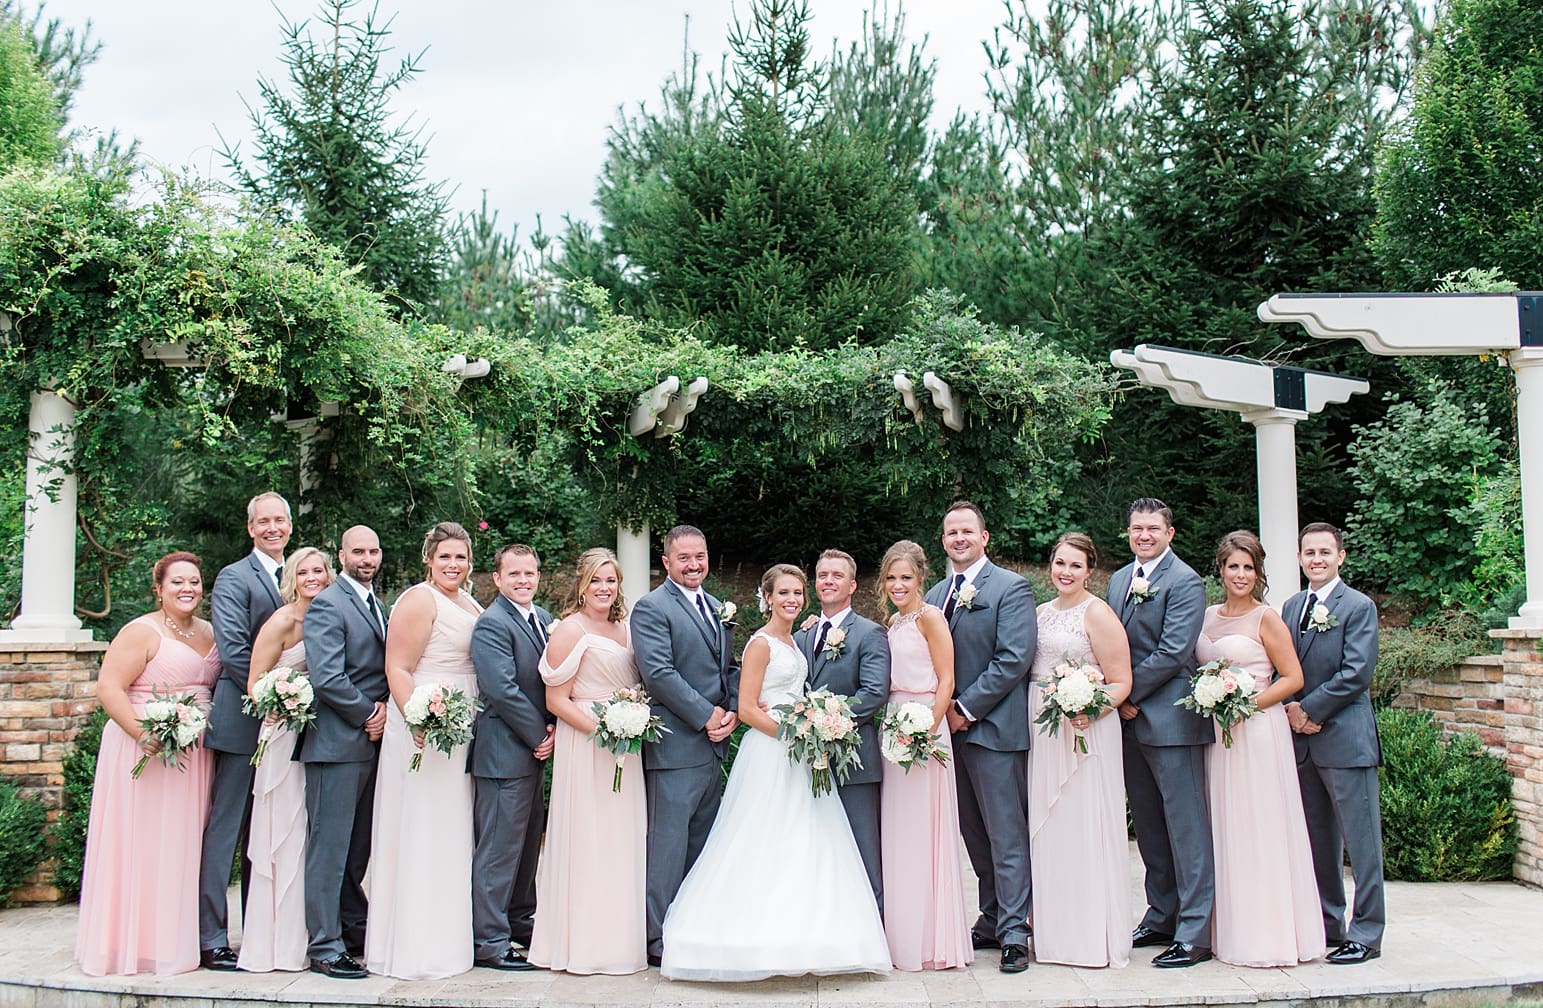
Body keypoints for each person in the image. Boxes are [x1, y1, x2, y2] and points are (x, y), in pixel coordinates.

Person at [661, 564, 891, 981]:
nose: (792, 599)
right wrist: (795, 733)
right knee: (761, 838)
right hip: (772, 752)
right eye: (783, 592)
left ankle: (809, 934)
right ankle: (748, 936)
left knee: (806, 840)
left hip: (802, 755)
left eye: (798, 592)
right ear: (766, 597)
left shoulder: (798, 639)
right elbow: (748, 708)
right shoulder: (761, 644)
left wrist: (809, 730)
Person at [75, 552, 221, 976]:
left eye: (194, 581)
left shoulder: (209, 631)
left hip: (195, 754)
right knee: (142, 843)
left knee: (182, 845)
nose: (187, 588)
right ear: (158, 589)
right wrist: (143, 732)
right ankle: (132, 944)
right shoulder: (140, 631)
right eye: (177, 582)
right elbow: (109, 687)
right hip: (146, 751)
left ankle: (176, 939)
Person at [1197, 531, 1323, 967]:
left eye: (1248, 567)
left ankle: (1268, 935)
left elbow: (1292, 678)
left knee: (1260, 827)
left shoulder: (1267, 618)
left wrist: (1245, 705)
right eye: (1233, 566)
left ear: (1258, 572)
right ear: (1222, 569)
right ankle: (1228, 930)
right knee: (1226, 827)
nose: (1241, 574)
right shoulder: (1207, 616)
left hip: (1258, 731)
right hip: (1219, 737)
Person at [366, 522, 483, 980]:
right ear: (428, 559)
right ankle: (418, 945)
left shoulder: (467, 601)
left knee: (452, 826)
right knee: (424, 825)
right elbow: (397, 665)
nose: (454, 565)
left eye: (461, 557)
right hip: (426, 725)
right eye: (445, 557)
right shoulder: (419, 599)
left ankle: (450, 935)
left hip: (460, 725)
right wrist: (418, 716)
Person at [922, 501, 1034, 973]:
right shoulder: (934, 592)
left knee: (1006, 834)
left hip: (992, 731)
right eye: (951, 532)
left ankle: (1015, 931)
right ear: (943, 540)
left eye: (968, 531)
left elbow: (1013, 658)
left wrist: (964, 710)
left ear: (984, 537)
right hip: (948, 737)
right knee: (973, 832)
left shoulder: (1010, 587)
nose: (959, 538)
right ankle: (990, 918)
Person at [529, 548, 647, 974]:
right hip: (587, 743)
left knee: (622, 840)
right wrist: (603, 729)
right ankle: (580, 944)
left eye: (611, 581)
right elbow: (555, 699)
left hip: (626, 743)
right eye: (596, 580)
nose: (604, 588)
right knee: (588, 838)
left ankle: (619, 943)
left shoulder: (625, 627)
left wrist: (629, 723)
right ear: (582, 585)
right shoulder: (569, 629)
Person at [1108, 498, 1214, 968]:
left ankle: (1195, 931)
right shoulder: (1117, 580)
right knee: (1149, 827)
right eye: (1136, 528)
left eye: (1153, 528)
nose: (1144, 535)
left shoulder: (1186, 581)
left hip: (1170, 720)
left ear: (1170, 533)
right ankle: (1161, 914)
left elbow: (1175, 651)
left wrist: (1127, 694)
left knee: (1186, 827)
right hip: (1127, 724)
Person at [631, 525, 739, 967]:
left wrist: (731, 711)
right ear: (666, 562)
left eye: (700, 555)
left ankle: (690, 929)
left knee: (701, 847)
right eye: (684, 558)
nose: (694, 564)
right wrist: (706, 714)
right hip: (675, 748)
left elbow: (728, 666)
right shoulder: (651, 608)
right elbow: (658, 673)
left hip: (713, 746)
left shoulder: (718, 607)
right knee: (667, 849)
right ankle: (656, 939)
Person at [1028, 533, 1133, 968]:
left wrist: (1090, 706)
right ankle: (1054, 937)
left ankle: (1091, 937)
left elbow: (1121, 682)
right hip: (1043, 729)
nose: (1065, 572)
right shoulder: (1038, 613)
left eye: (1075, 565)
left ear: (1090, 570)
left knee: (1084, 828)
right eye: (1059, 563)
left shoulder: (1099, 614)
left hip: (1086, 731)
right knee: (1048, 829)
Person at [1284, 522, 1385, 965]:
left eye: (1326, 552)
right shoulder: (1290, 606)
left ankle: (1367, 932)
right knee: (1317, 841)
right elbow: (1279, 664)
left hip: (1345, 741)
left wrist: (1310, 710)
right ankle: (1328, 925)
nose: (1317, 559)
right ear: (1301, 557)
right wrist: (1290, 707)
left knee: (1362, 843)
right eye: (1309, 552)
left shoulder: (1358, 606)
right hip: (1301, 743)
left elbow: (1356, 672)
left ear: (1341, 557)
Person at [198, 492, 291, 971]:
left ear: (289, 526)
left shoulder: (300, 575)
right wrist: (270, 698)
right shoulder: (235, 578)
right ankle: (211, 936)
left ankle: (261, 930)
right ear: (251, 528)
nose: (272, 528)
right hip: (243, 720)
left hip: (289, 725)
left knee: (270, 827)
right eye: (264, 521)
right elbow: (235, 651)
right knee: (226, 828)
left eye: (280, 520)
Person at [298, 525, 390, 980]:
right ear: (341, 555)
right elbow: (328, 676)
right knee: (329, 850)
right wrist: (370, 713)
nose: (367, 558)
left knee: (357, 852)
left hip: (371, 747)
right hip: (337, 744)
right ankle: (324, 945)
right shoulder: (328, 605)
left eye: (373, 551)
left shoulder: (378, 605)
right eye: (359, 551)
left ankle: (353, 931)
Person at [877, 540, 972, 971]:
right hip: (894, 726)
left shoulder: (931, 618)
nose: (898, 585)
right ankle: (903, 937)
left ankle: (932, 940)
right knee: (899, 832)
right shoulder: (893, 621)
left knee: (925, 831)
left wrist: (925, 730)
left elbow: (947, 680)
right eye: (891, 578)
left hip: (924, 730)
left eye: (906, 578)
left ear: (921, 578)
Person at [238, 547, 334, 973]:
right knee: (286, 831)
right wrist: (280, 700)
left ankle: (313, 931)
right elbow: (255, 682)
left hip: (321, 731)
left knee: (313, 831)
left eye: (319, 571)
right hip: (283, 732)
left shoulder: (331, 616)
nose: (312, 577)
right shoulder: (282, 621)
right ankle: (277, 940)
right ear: (291, 578)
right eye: (303, 572)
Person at [467, 543, 555, 971]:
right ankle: (489, 940)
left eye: (530, 573)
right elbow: (501, 689)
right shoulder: (492, 624)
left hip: (532, 753)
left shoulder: (543, 620)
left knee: (524, 847)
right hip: (505, 752)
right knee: (499, 849)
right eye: (514, 574)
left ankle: (519, 921)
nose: (524, 580)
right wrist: (540, 734)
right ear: (497, 578)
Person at [794, 548, 890, 911]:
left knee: (863, 849)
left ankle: (874, 927)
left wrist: (829, 720)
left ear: (852, 585)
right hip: (808, 762)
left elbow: (874, 692)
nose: (828, 581)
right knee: (818, 848)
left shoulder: (869, 633)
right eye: (822, 575)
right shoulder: (803, 635)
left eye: (836, 575)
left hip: (855, 761)